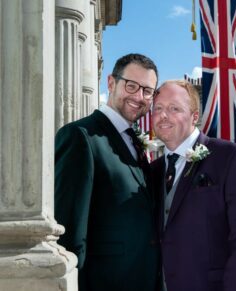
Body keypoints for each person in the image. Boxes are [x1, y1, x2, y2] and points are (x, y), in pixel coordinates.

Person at [55, 53, 159, 291]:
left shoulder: (135, 143)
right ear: (111, 83)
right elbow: (68, 232)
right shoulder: (80, 136)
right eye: (131, 85)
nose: (139, 96)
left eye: (147, 91)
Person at [151, 80, 236, 291]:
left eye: (174, 108)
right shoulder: (152, 170)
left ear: (194, 117)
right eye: (158, 108)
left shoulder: (229, 157)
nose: (163, 115)